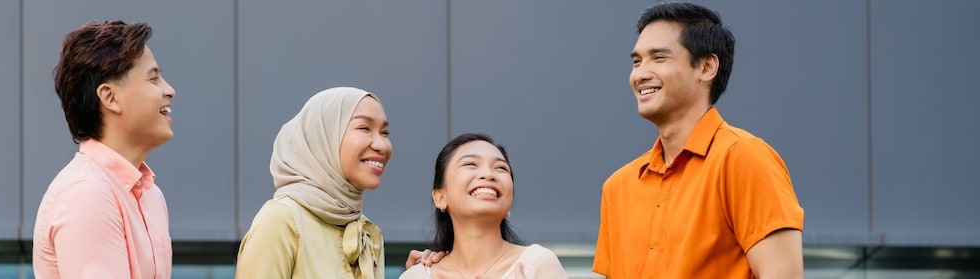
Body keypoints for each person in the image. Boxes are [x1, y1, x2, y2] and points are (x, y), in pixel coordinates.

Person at [593, 2, 805, 278]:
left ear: (706, 67)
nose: (640, 74)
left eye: (658, 58)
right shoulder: (617, 188)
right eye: (636, 61)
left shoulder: (743, 157)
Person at [32, 20, 177, 279]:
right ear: (110, 98)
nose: (169, 90)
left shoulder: (150, 195)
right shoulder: (87, 193)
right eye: (154, 79)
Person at [236, 87, 392, 279]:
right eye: (364, 128)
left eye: (385, 132)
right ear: (324, 136)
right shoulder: (281, 220)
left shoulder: (368, 234)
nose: (382, 145)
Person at [400, 133, 567, 279]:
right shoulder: (418, 276)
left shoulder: (537, 264)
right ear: (440, 198)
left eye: (501, 168)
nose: (488, 174)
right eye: (470, 164)